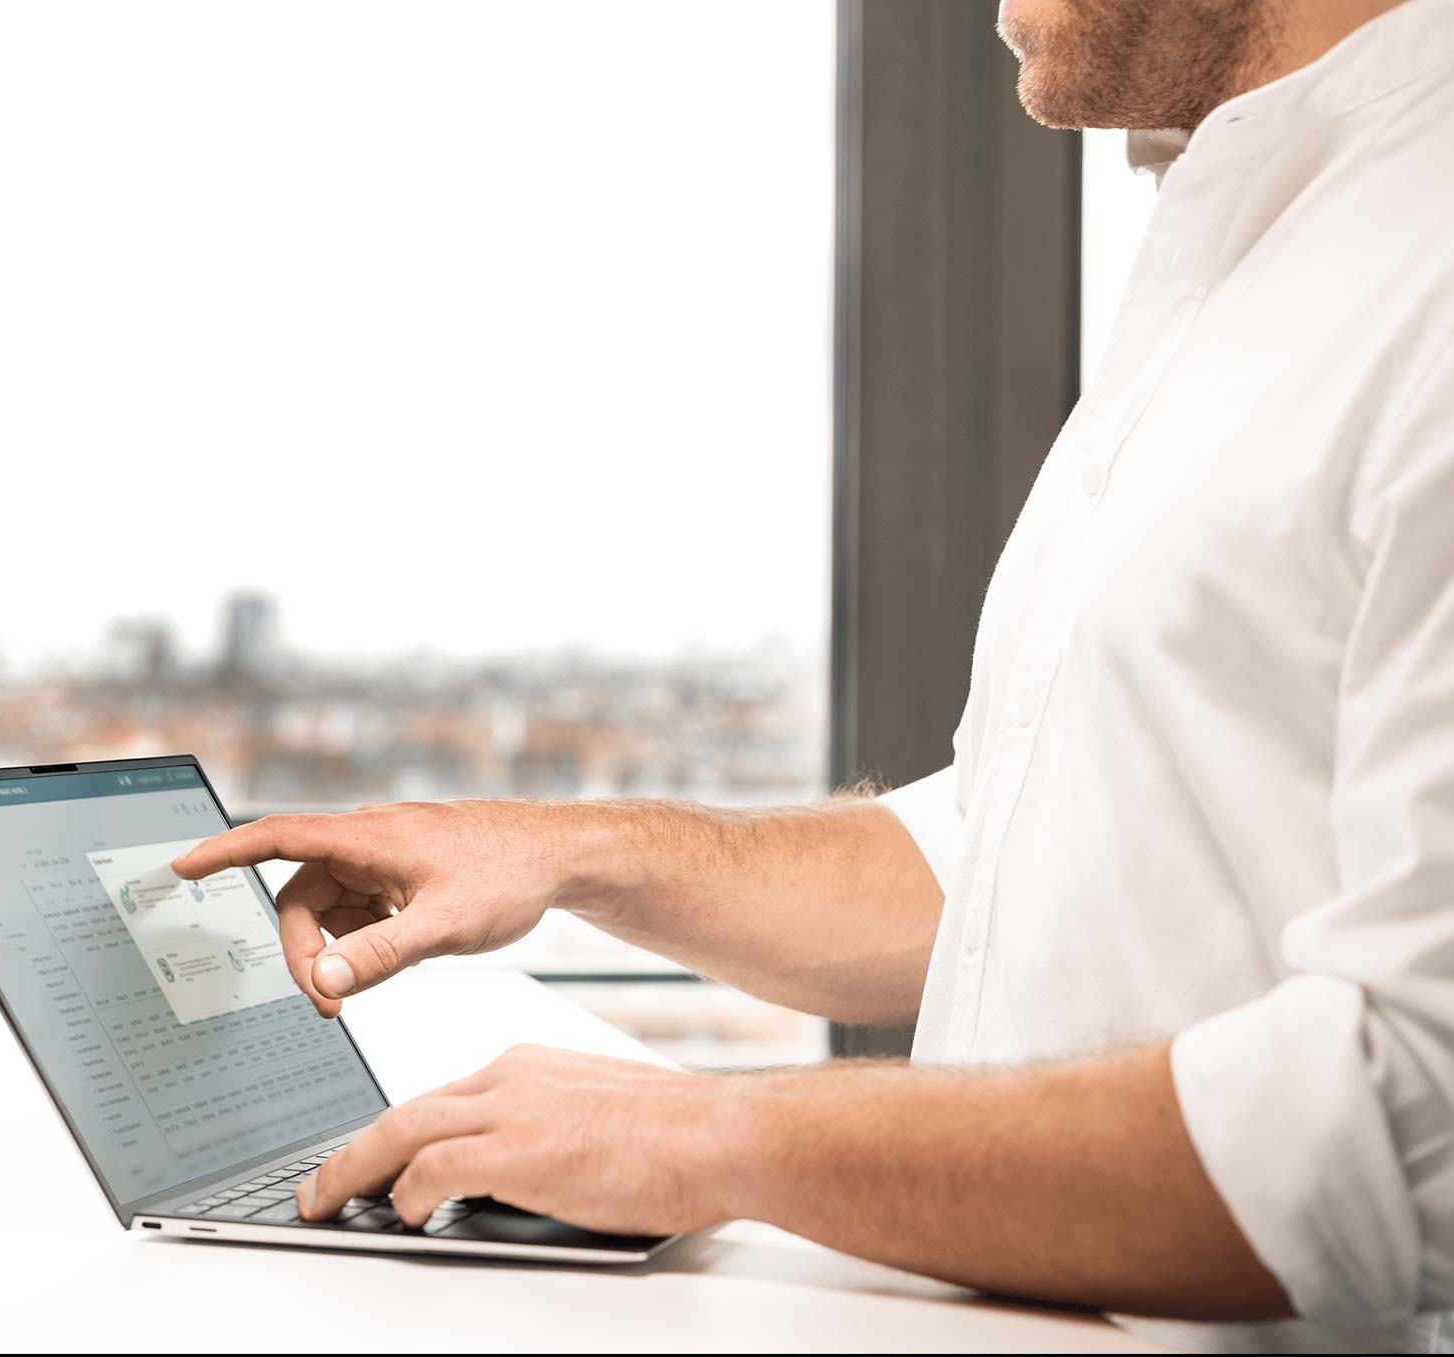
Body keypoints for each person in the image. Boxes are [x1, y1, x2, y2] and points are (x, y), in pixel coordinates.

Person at [175, 0, 1454, 1348]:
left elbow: (1412, 1118)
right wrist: (564, 852)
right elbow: (1019, 851)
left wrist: (705, 1135)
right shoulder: (1256, 247)